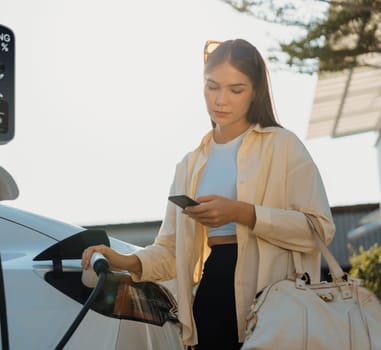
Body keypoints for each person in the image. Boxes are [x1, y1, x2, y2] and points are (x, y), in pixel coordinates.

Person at [81, 38, 336, 349]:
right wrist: (125, 260)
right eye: (212, 86)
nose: (221, 100)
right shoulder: (189, 165)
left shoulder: (283, 146)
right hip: (214, 291)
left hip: (277, 301)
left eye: (235, 89)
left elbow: (319, 230)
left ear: (255, 91)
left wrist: (243, 213)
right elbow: (171, 251)